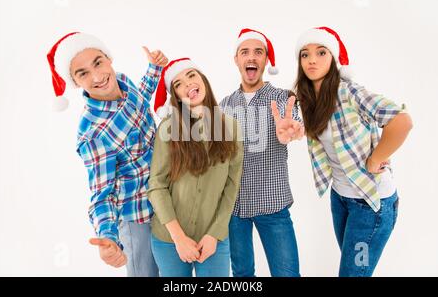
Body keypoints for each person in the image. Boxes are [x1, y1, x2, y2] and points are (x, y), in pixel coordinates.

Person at [273, 26, 413, 276]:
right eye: (304, 54)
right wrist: (294, 132)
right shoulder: (307, 99)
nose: (312, 59)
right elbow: (313, 129)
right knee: (354, 271)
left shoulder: (350, 93)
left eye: (321, 52)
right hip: (340, 198)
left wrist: (376, 158)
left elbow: (402, 121)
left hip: (371, 203)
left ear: (334, 59)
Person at [46, 32, 168, 276]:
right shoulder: (93, 134)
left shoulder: (123, 82)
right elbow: (102, 194)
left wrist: (154, 70)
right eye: (83, 73)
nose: (97, 76)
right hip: (139, 219)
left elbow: (140, 99)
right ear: (75, 82)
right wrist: (108, 236)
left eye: (98, 62)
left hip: (165, 199)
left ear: (109, 59)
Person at [147, 58, 244, 277]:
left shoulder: (232, 127)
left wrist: (214, 234)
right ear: (176, 97)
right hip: (169, 239)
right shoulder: (168, 129)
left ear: (203, 80)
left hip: (213, 239)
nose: (188, 83)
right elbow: (156, 185)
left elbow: (232, 185)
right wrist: (179, 238)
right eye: (178, 84)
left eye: (191, 75)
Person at [219, 29, 303, 277]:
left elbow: (294, 122)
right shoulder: (224, 105)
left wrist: (292, 129)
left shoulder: (282, 98)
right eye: (244, 52)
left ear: (266, 60)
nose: (251, 57)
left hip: (273, 205)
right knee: (242, 276)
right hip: (234, 209)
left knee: (287, 275)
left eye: (258, 52)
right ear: (237, 60)